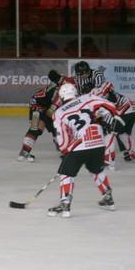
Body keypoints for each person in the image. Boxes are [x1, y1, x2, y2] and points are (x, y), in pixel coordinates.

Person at [48, 82, 124, 218]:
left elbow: (63, 137)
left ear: (61, 96)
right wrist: (115, 113)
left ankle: (65, 204)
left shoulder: (59, 113)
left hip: (80, 145)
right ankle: (108, 197)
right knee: (97, 169)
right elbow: (106, 103)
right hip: (98, 141)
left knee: (66, 174)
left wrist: (65, 149)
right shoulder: (86, 97)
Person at [17, 70, 61, 162]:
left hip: (42, 106)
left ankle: (60, 145)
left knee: (56, 126)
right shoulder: (58, 88)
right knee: (37, 128)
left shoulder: (56, 85)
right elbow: (52, 105)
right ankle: (25, 151)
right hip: (39, 106)